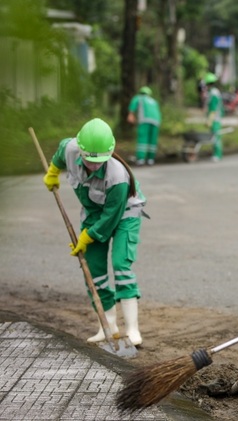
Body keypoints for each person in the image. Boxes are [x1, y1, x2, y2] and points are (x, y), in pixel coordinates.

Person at [42, 118, 146, 346]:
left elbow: (112, 216)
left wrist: (87, 236)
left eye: (100, 161)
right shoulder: (70, 149)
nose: (95, 166)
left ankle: (132, 330)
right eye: (90, 160)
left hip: (124, 213)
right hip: (93, 214)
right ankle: (107, 326)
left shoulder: (118, 177)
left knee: (121, 265)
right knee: (94, 268)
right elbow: (60, 154)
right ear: (80, 150)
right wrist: (52, 172)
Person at [127, 86, 162, 166]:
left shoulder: (138, 98)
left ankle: (141, 159)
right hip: (156, 121)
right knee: (152, 140)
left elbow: (133, 106)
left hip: (144, 120)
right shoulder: (154, 101)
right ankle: (150, 159)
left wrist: (130, 115)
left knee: (142, 139)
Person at [204, 72, 224, 162]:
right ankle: (215, 154)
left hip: (215, 118)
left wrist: (209, 121)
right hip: (216, 117)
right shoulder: (214, 92)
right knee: (214, 136)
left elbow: (213, 109)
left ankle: (217, 155)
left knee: (216, 137)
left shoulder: (213, 94)